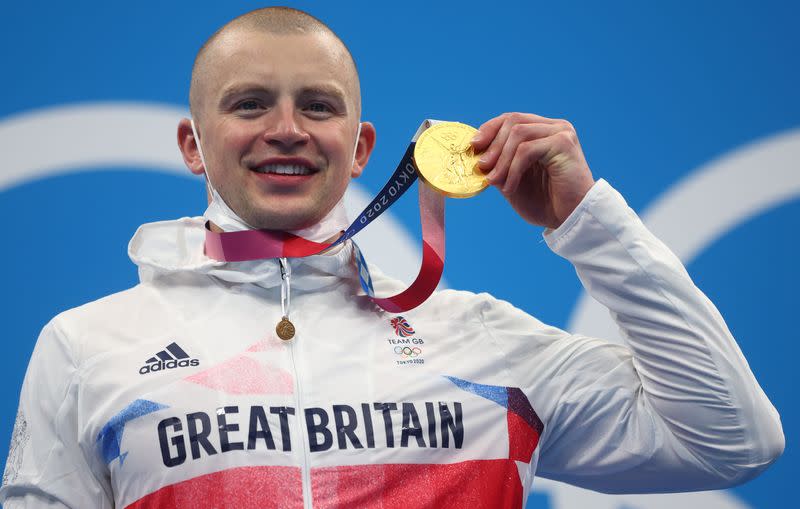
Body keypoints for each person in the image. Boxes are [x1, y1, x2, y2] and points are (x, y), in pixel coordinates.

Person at [0, 7, 784, 509]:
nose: (287, 128)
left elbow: (733, 439)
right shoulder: (87, 346)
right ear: (192, 145)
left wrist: (588, 221)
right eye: (248, 104)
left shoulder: (483, 340)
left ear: (361, 146)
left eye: (318, 105)